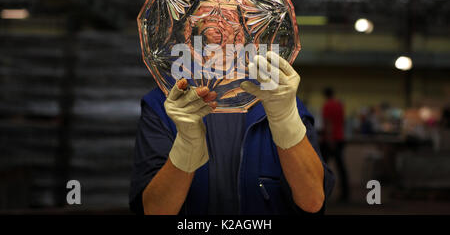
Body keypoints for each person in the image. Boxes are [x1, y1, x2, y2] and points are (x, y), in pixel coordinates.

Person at [129, 52, 335, 214]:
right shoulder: (163, 104)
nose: (222, 24)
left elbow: (313, 201)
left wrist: (284, 119)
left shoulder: (279, 97)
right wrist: (186, 146)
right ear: (188, 27)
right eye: (210, 11)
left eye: (234, 15)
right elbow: (154, 210)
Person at [320, 87, 349, 202]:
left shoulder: (327, 105)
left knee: (321, 169)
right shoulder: (340, 104)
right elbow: (342, 122)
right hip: (340, 138)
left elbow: (328, 123)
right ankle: (345, 193)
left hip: (330, 140)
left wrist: (330, 139)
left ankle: (320, 193)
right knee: (341, 168)